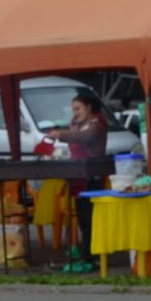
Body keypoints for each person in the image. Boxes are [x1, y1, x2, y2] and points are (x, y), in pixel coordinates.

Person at [45, 88, 110, 259]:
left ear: (88, 108)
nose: (75, 113)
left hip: (93, 176)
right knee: (82, 218)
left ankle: (93, 253)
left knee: (91, 217)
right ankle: (86, 252)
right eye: (73, 109)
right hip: (78, 175)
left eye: (78, 109)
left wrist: (60, 134)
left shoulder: (98, 123)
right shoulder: (75, 124)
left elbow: (85, 137)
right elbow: (74, 138)